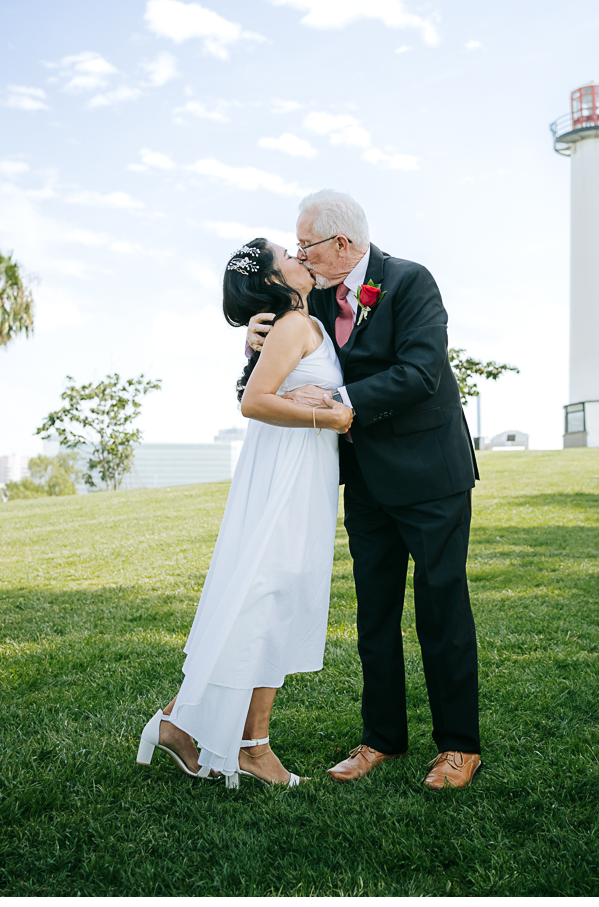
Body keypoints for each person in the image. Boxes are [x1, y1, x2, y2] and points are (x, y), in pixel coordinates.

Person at [247, 190, 481, 789]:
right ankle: (381, 739)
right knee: (375, 617)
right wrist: (253, 340)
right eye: (297, 246)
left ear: (342, 244)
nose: (301, 254)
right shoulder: (312, 301)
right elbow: (282, 369)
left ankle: (458, 746)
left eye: (307, 245)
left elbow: (420, 371)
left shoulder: (409, 282)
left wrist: (339, 404)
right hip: (366, 482)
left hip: (432, 476)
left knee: (441, 609)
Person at [137, 239, 353, 787]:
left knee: (263, 594)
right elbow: (254, 402)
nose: (299, 255)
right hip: (288, 474)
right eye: (288, 253)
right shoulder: (294, 326)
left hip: (298, 470)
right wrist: (334, 420)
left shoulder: (302, 321)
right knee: (265, 596)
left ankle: (182, 721)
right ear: (274, 280)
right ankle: (248, 744)